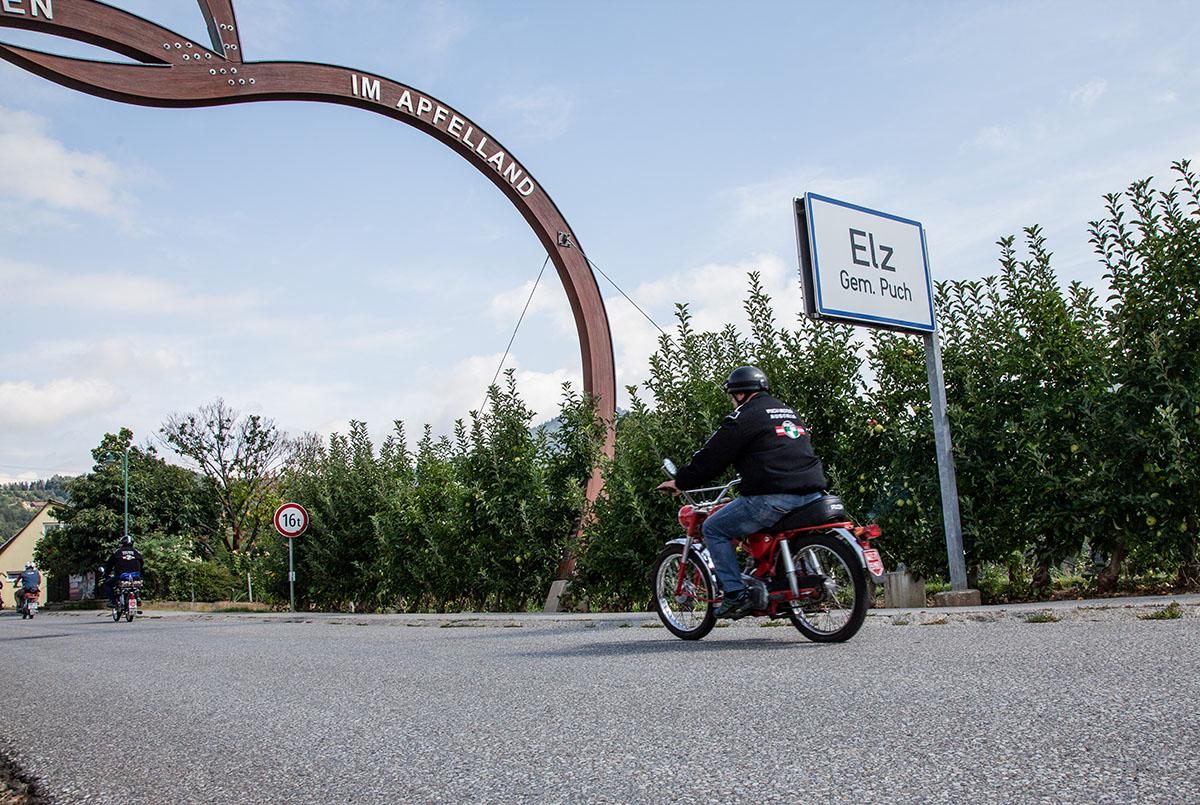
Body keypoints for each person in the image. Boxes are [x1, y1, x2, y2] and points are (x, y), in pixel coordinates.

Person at [656, 365, 828, 618]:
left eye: (732, 396)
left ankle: (735, 593)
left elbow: (712, 456)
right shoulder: (788, 412)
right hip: (814, 495)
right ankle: (783, 586)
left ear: (739, 394)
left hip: (772, 497)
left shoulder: (745, 416)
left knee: (713, 527)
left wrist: (682, 481)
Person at [106, 536, 144, 609]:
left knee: (108, 583)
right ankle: (138, 597)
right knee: (136, 586)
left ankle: (112, 601)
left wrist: (106, 573)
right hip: (135, 577)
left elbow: (109, 564)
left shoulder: (117, 552)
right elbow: (142, 563)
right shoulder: (137, 552)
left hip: (122, 576)